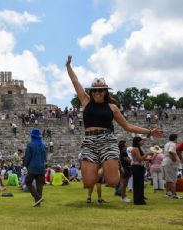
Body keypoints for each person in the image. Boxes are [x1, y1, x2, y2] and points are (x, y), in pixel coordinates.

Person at [65, 56, 163, 191]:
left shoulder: (112, 107)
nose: (97, 93)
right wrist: (68, 66)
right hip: (89, 141)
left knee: (112, 182)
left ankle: (107, 167)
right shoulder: (86, 101)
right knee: (87, 183)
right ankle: (101, 167)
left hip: (107, 140)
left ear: (105, 91)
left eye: (100, 90)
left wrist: (150, 131)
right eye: (94, 90)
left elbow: (128, 126)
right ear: (91, 92)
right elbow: (75, 82)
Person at [24, 128, 47, 207]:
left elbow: (27, 157)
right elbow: (45, 157)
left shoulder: (30, 145)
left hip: (33, 167)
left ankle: (37, 197)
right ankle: (38, 202)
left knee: (28, 182)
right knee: (39, 185)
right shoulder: (43, 145)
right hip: (42, 167)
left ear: (32, 136)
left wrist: (26, 165)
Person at [130, 136, 152, 205]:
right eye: (141, 141)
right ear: (137, 142)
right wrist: (147, 154)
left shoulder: (138, 148)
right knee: (138, 184)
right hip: (137, 167)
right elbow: (139, 159)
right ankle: (138, 200)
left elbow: (141, 158)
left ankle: (140, 199)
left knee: (140, 184)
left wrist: (149, 158)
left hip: (139, 167)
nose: (142, 142)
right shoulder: (135, 149)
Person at [163, 134, 182, 199]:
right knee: (173, 179)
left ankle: (168, 193)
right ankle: (174, 194)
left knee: (168, 179)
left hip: (165, 161)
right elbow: (171, 151)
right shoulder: (173, 144)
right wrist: (174, 158)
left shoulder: (166, 144)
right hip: (170, 162)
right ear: (175, 138)